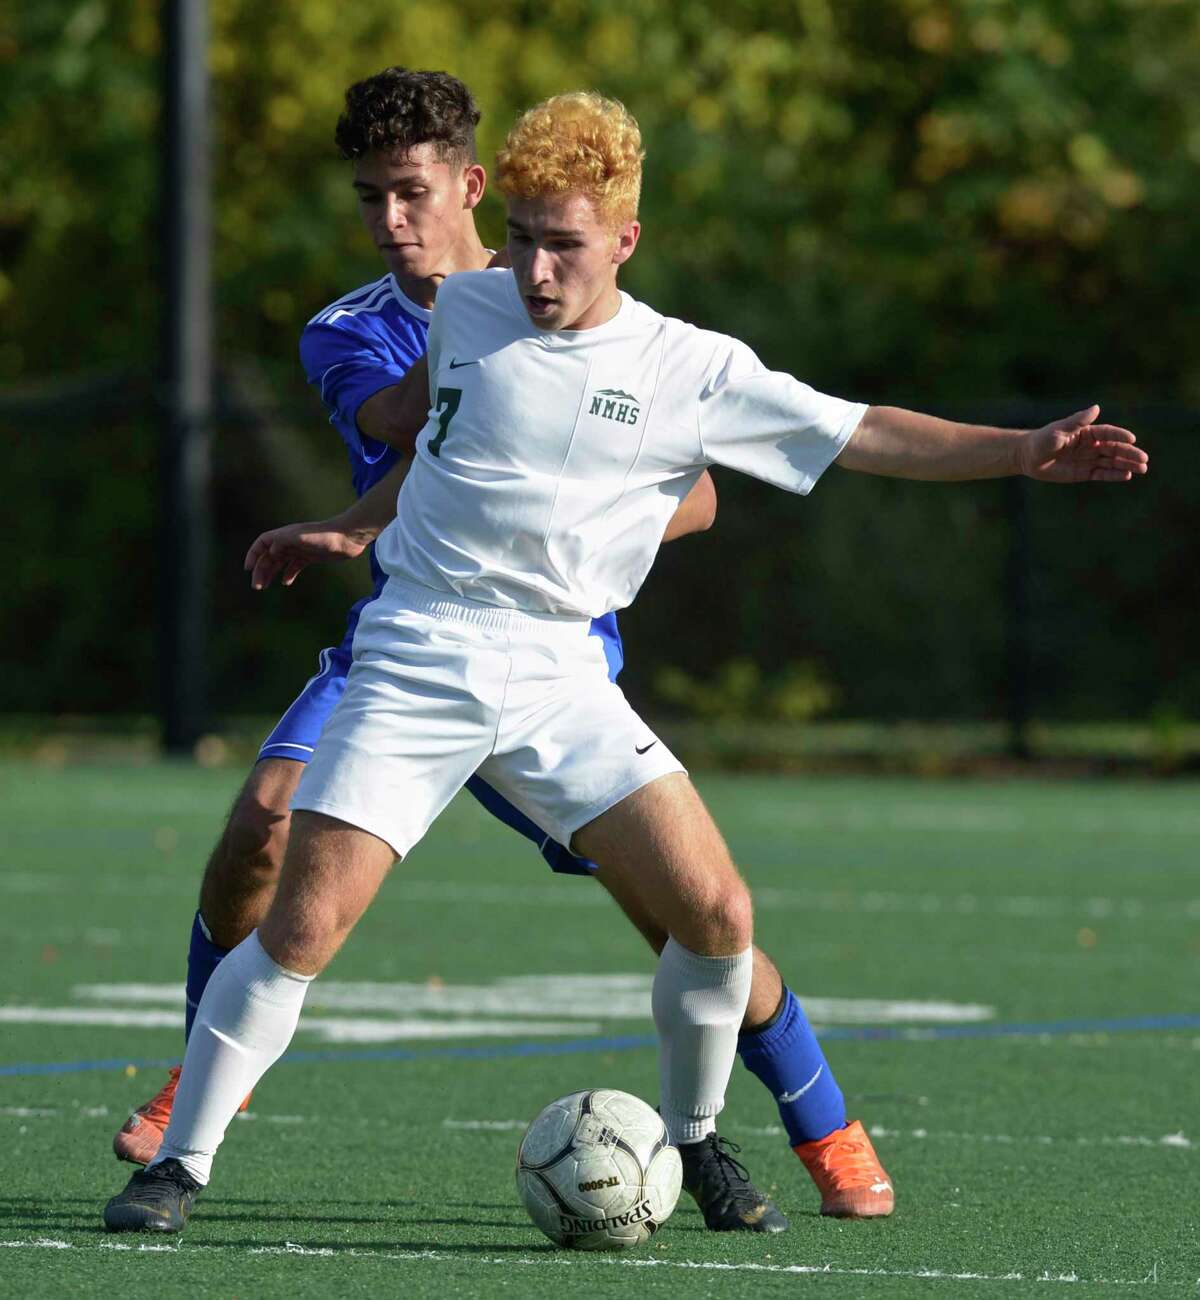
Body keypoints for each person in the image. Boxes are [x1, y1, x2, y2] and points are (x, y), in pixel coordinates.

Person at [102, 90, 1147, 1240]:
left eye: (567, 245)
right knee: (302, 926)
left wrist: (1021, 451)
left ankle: (696, 1141)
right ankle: (177, 1168)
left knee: (715, 912)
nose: (537, 270)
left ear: (626, 241)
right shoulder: (469, 308)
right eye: (525, 239)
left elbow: (864, 430)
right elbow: (440, 436)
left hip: (563, 672)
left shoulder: (691, 366)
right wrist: (352, 525)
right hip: (424, 648)